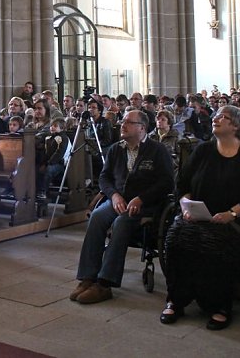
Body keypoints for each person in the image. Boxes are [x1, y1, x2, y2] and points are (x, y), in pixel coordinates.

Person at [161, 105, 240, 330]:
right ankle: (176, 298)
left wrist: (231, 214)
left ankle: (218, 304)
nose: (216, 119)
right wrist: (185, 206)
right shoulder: (203, 150)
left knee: (215, 241)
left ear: (237, 126)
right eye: (217, 115)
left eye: (224, 117)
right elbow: (182, 184)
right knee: (175, 237)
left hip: (239, 218)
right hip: (198, 216)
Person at [70, 110, 174, 304]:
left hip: (145, 204)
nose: (122, 125)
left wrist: (141, 199)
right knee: (97, 218)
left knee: (121, 223)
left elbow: (167, 182)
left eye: (128, 122)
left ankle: (105, 283)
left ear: (142, 128)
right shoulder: (116, 149)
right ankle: (87, 277)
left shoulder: (157, 150)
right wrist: (115, 195)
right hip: (118, 200)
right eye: (123, 121)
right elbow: (104, 177)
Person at [40, 118, 69, 194]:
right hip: (50, 162)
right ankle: (37, 189)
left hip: (60, 164)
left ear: (62, 128)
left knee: (49, 169)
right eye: (51, 126)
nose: (52, 127)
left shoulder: (63, 138)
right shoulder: (49, 138)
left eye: (55, 126)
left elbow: (59, 153)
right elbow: (47, 153)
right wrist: (43, 163)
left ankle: (43, 191)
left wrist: (48, 163)